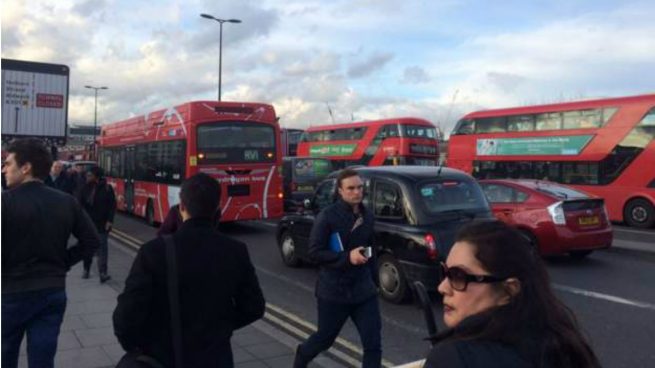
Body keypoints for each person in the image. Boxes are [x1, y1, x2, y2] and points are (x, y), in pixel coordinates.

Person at [113, 173, 265, 367]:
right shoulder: (235, 251)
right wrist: (221, 327)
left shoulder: (153, 252)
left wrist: (143, 345)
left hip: (165, 358)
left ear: (182, 207)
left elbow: (125, 318)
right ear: (217, 208)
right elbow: (254, 307)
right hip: (215, 359)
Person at [424, 220, 600, 368]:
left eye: (458, 276)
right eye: (446, 273)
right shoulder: (565, 345)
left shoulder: (453, 358)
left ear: (508, 291)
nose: (442, 287)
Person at [2, 138, 100, 368]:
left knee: (6, 354)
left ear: (25, 167)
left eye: (8, 163)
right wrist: (63, 263)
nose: (3, 169)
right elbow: (92, 241)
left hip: (12, 293)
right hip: (52, 292)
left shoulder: (5, 203)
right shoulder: (67, 202)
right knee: (43, 359)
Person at [294, 169, 381, 368]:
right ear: (340, 191)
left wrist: (374, 281)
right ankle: (301, 356)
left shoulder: (368, 216)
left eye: (360, 187)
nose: (357, 192)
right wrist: (347, 257)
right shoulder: (327, 217)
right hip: (334, 292)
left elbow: (371, 250)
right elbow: (314, 252)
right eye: (351, 188)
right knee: (325, 339)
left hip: (363, 291)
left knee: (373, 344)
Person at [79, 166, 116, 282]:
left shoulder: (107, 188)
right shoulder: (84, 188)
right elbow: (79, 206)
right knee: (88, 248)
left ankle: (103, 272)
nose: (87, 176)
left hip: (102, 224)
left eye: (90, 175)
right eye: (87, 175)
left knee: (102, 249)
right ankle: (86, 269)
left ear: (96, 176)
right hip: (88, 224)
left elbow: (112, 206)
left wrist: (110, 221)